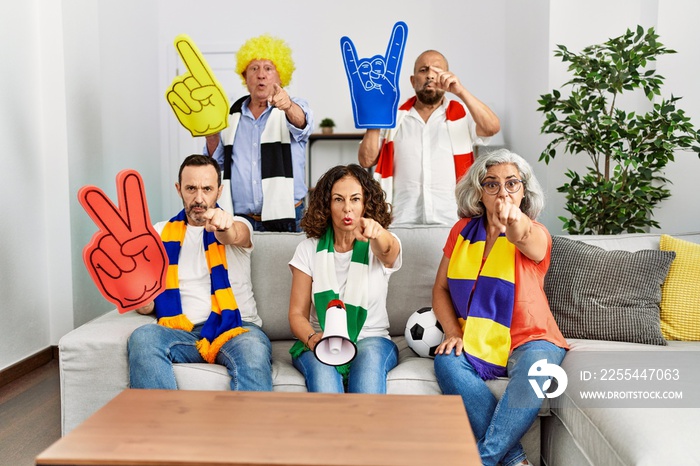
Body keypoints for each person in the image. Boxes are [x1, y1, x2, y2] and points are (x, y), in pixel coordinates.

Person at [431, 149, 568, 466]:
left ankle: (483, 460)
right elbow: (440, 288)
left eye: (512, 184)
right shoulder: (462, 232)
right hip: (475, 334)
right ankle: (515, 461)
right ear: (479, 191)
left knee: (537, 373)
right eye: (492, 184)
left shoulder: (536, 232)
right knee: (447, 362)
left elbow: (523, 238)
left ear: (523, 190)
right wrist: (452, 331)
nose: (502, 192)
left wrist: (513, 218)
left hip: (533, 339)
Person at [128, 154, 272, 391]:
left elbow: (233, 235)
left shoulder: (238, 223)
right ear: (179, 189)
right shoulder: (159, 232)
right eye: (191, 188)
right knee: (143, 337)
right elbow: (146, 305)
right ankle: (162, 427)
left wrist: (222, 225)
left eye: (207, 189)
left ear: (219, 191)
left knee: (253, 349)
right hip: (181, 332)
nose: (199, 198)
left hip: (237, 329)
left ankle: (253, 427)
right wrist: (137, 296)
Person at [287, 164, 402, 393]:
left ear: (366, 204)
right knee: (324, 382)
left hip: (371, 338)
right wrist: (313, 340)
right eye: (338, 199)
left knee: (367, 383)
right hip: (322, 338)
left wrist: (377, 233)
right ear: (327, 205)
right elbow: (296, 313)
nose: (347, 208)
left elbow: (389, 250)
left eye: (355, 199)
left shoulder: (378, 243)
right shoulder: (308, 249)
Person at [358, 49, 500, 226]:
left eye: (437, 70)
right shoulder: (392, 117)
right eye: (423, 70)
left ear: (448, 76)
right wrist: (376, 115)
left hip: (454, 219)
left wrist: (460, 91)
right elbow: (366, 160)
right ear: (413, 80)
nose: (430, 76)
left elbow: (492, 127)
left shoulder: (462, 113)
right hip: (400, 220)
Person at [204, 34, 313, 232]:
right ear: (245, 76)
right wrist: (210, 132)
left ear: (281, 76)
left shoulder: (293, 108)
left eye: (268, 68)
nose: (261, 75)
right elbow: (216, 162)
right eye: (254, 68)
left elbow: (303, 124)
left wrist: (288, 105)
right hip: (238, 219)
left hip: (289, 217)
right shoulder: (229, 116)